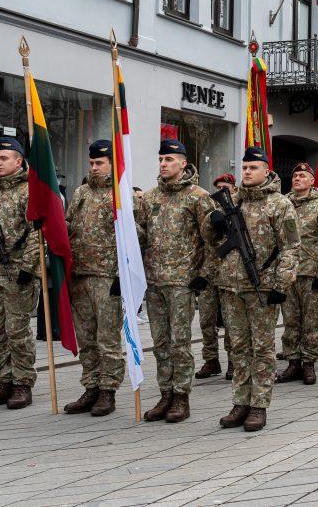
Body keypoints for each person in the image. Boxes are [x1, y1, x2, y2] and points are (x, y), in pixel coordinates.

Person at [215, 146, 300, 432]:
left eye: (253, 168)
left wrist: (280, 284)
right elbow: (211, 240)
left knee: (262, 349)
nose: (247, 172)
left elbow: (291, 246)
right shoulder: (232, 200)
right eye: (245, 167)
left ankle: (259, 404)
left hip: (262, 288)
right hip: (231, 286)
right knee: (238, 348)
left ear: (266, 170)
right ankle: (240, 402)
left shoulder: (280, 204)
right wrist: (212, 223)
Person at [137, 139, 217, 423]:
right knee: (160, 342)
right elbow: (141, 236)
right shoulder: (148, 198)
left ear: (183, 163)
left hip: (183, 282)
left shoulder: (198, 197)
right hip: (155, 282)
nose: (163, 164)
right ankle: (165, 393)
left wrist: (204, 276)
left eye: (169, 160)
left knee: (179, 343)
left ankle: (181, 396)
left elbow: (213, 241)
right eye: (161, 160)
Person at [0, 137, 40, 410]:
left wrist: (28, 267)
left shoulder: (29, 192)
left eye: (5, 158)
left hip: (17, 274)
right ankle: (4, 379)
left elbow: (37, 233)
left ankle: (22, 383)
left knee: (17, 331)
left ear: (19, 161)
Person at [63, 140, 124, 417]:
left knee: (107, 338)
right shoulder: (81, 193)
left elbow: (134, 239)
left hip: (107, 276)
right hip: (80, 274)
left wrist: (123, 275)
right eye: (92, 163)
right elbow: (69, 225)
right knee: (86, 338)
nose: (94, 167)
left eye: (100, 163)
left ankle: (108, 391)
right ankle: (91, 386)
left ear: (112, 162)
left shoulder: (121, 193)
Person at [277, 163, 318, 385]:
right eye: (294, 175)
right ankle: (293, 361)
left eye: (302, 175)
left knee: (310, 322)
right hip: (287, 273)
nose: (297, 178)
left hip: (311, 274)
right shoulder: (282, 204)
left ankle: (309, 363)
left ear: (311, 180)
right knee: (290, 321)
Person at [196, 172, 236, 380]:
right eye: (218, 188)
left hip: (229, 273)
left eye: (225, 187)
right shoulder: (209, 209)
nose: (221, 191)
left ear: (233, 188)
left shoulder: (239, 207)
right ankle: (211, 360)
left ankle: (233, 362)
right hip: (208, 273)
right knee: (206, 319)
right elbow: (202, 239)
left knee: (230, 321)